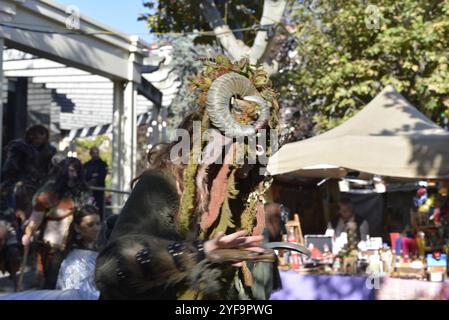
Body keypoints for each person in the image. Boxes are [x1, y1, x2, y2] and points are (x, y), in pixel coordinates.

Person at [94, 57, 282, 300]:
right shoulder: (163, 184)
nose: (258, 152)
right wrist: (200, 254)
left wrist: (263, 263)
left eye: (264, 141)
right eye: (248, 138)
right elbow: (110, 268)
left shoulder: (245, 202)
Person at [21, 157, 93, 289]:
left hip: (78, 245)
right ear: (64, 171)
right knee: (51, 281)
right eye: (71, 171)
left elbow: (90, 216)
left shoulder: (83, 192)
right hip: (53, 247)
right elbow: (36, 217)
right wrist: (29, 232)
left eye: (77, 171)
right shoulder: (49, 191)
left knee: (76, 283)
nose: (75, 175)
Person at [56, 205, 102, 299]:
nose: (96, 228)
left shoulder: (98, 251)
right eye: (90, 225)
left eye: (98, 223)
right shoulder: (76, 261)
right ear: (77, 228)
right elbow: (73, 294)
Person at [84, 147, 108, 220]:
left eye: (97, 153)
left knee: (99, 210)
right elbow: (84, 176)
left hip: (99, 191)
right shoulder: (86, 165)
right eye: (93, 153)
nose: (95, 155)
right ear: (90, 154)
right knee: (88, 210)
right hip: (88, 191)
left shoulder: (103, 164)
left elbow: (101, 176)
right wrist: (92, 176)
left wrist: (92, 177)